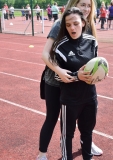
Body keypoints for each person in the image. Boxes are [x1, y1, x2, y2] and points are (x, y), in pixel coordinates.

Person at [36, 0, 103, 159]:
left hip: (77, 80)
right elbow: (45, 54)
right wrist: (59, 70)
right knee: (53, 117)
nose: (86, 8)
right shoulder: (60, 23)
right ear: (74, 4)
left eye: (89, 6)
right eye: (83, 4)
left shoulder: (87, 25)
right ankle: (42, 153)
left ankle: (87, 142)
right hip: (55, 79)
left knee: (84, 115)